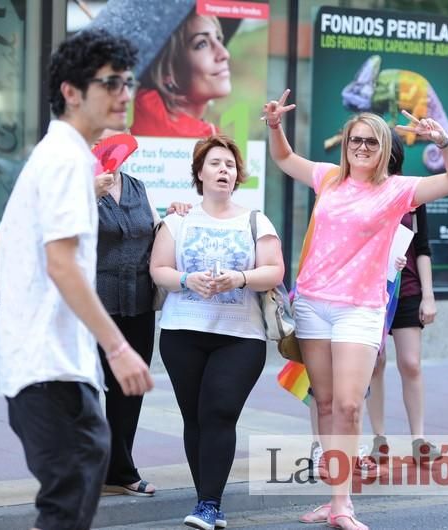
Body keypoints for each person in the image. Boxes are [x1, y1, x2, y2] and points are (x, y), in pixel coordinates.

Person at [264, 89, 448, 530]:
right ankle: (334, 501)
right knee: (323, 401)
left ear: (384, 150)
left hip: (360, 307)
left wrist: (443, 142)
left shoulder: (399, 190)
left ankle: (343, 505)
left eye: (370, 142)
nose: (360, 148)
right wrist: (275, 127)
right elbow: (285, 160)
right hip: (314, 303)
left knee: (349, 405)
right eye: (354, 140)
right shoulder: (329, 179)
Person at [0, 29, 154, 530]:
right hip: (47, 368)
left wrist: (23, 316)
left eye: (127, 81)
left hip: (54, 362)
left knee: (83, 476)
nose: (124, 93)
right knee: (68, 498)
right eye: (111, 83)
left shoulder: (65, 156)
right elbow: (59, 264)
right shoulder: (64, 161)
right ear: (72, 92)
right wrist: (120, 349)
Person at [150, 134, 284, 530]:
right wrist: (189, 279)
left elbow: (274, 270)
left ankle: (210, 503)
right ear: (199, 173)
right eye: (215, 163)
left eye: (229, 164)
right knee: (194, 417)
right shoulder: (178, 220)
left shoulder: (256, 219)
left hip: (241, 336)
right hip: (182, 332)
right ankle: (205, 498)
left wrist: (239, 278)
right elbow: (159, 270)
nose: (224, 170)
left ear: (237, 175)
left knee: (219, 411)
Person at [366, 130, 440, 464]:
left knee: (410, 364)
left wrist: (429, 295)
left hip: (407, 288)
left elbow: (422, 249)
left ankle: (419, 439)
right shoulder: (358, 191)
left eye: (380, 145)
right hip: (369, 290)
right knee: (374, 365)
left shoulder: (412, 191)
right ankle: (379, 439)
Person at [93, 129, 160, 497]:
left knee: (130, 389)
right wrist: (89, 195)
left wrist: (173, 218)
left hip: (138, 300)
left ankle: (118, 466)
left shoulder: (137, 186)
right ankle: (116, 468)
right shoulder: (78, 187)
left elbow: (152, 229)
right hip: (96, 302)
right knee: (94, 386)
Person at [130, 12, 231, 137]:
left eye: (218, 38)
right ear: (167, 71)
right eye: (202, 44)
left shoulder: (144, 106)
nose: (224, 53)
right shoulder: (195, 137)